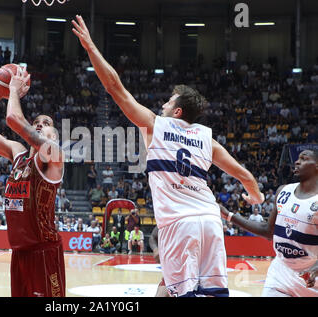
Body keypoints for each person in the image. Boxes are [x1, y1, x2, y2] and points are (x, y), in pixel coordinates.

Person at [72, 15, 264, 297]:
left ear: (177, 111)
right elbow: (245, 176)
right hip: (210, 220)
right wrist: (256, 197)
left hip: (178, 223)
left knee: (181, 292)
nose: (162, 103)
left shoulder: (154, 125)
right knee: (213, 291)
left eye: (168, 101)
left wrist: (90, 47)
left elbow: (115, 87)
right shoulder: (206, 139)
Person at [0, 69, 65, 297]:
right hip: (19, 253)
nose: (39, 124)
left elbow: (13, 119)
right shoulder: (18, 154)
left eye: (46, 123)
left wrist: (12, 89)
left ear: (55, 137)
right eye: (36, 121)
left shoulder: (55, 156)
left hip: (43, 253)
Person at [220, 149, 318, 297]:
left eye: (304, 159)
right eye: (298, 158)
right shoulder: (283, 191)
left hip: (311, 276)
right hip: (280, 274)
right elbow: (268, 230)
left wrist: (316, 268)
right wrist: (230, 216)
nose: (297, 162)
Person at [148, 226, 170, 297]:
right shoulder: (168, 219)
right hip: (172, 276)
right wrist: (155, 249)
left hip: (197, 276)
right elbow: (153, 237)